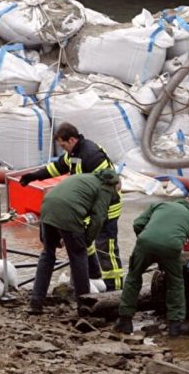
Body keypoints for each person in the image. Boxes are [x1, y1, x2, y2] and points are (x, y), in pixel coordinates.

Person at [20, 122, 125, 292]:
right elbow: (58, 167)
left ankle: (116, 289)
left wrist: (88, 230)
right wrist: (34, 176)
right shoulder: (74, 153)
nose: (62, 149)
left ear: (72, 140)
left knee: (106, 248)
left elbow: (107, 188)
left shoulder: (92, 156)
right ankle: (93, 277)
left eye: (63, 145)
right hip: (86, 207)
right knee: (86, 245)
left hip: (106, 208)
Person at [114, 196, 189, 337]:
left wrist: (147, 241)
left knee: (133, 278)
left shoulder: (159, 205)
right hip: (172, 248)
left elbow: (137, 223)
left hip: (145, 242)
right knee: (176, 283)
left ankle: (125, 321)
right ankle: (175, 325)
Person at [28, 168, 121, 315]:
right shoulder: (106, 189)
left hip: (47, 207)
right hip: (68, 212)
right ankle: (85, 305)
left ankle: (36, 302)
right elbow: (98, 219)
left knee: (47, 255)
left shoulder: (85, 177)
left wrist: (54, 236)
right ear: (116, 186)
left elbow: (67, 201)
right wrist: (86, 241)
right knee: (79, 257)